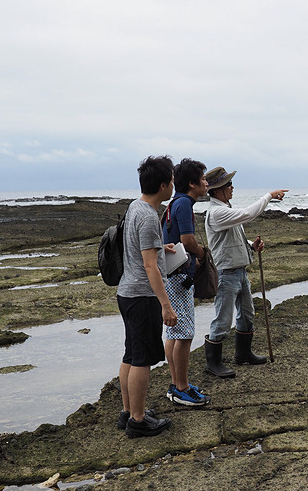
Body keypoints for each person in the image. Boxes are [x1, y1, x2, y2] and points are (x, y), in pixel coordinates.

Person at [203, 166, 287, 376]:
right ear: (217, 190)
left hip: (239, 272)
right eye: (228, 184)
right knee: (223, 319)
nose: (232, 187)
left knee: (247, 314)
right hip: (226, 273)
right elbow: (248, 214)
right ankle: (213, 364)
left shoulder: (225, 208)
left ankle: (243, 354)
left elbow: (235, 237)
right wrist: (269, 196)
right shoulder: (217, 212)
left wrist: (251, 245)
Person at [116, 155, 177, 438]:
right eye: (172, 181)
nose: (173, 185)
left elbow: (139, 249)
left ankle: (128, 412)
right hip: (142, 296)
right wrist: (166, 305)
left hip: (126, 292)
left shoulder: (135, 207)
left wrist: (160, 247)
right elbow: (150, 266)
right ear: (163, 185)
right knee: (141, 359)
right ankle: (138, 421)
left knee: (131, 353)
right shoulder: (150, 217)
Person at [162, 158, 211, 406]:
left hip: (171, 276)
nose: (206, 183)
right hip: (179, 277)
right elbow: (188, 240)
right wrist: (201, 255)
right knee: (184, 334)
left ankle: (177, 383)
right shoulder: (184, 204)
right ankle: (181, 388)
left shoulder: (174, 203)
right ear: (192, 183)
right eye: (203, 179)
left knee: (174, 332)